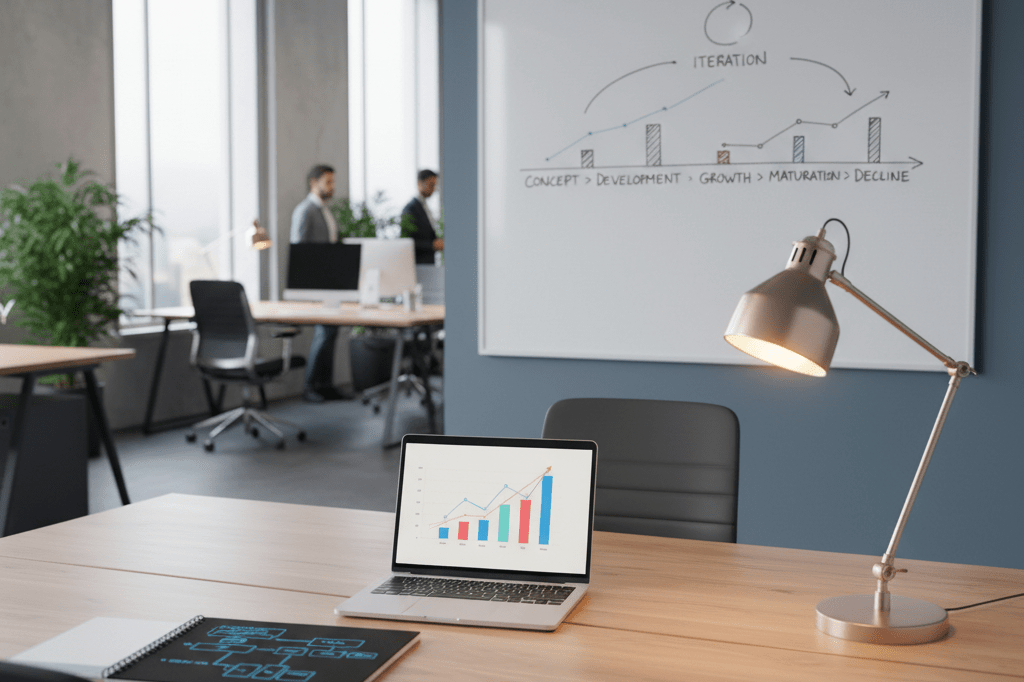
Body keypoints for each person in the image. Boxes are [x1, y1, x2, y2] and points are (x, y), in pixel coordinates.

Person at [290, 164, 345, 402]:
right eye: (328, 182)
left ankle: (325, 384)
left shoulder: (325, 211)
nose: (332, 187)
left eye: (333, 182)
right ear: (314, 183)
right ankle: (311, 386)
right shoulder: (305, 211)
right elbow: (300, 250)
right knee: (324, 332)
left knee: (331, 331)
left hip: (331, 281)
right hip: (316, 284)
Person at [401, 169, 443, 265]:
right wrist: (432, 245)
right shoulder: (410, 209)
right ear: (420, 183)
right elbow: (408, 241)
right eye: (431, 185)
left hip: (429, 263)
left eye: (435, 185)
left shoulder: (426, 207)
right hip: (418, 264)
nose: (434, 189)